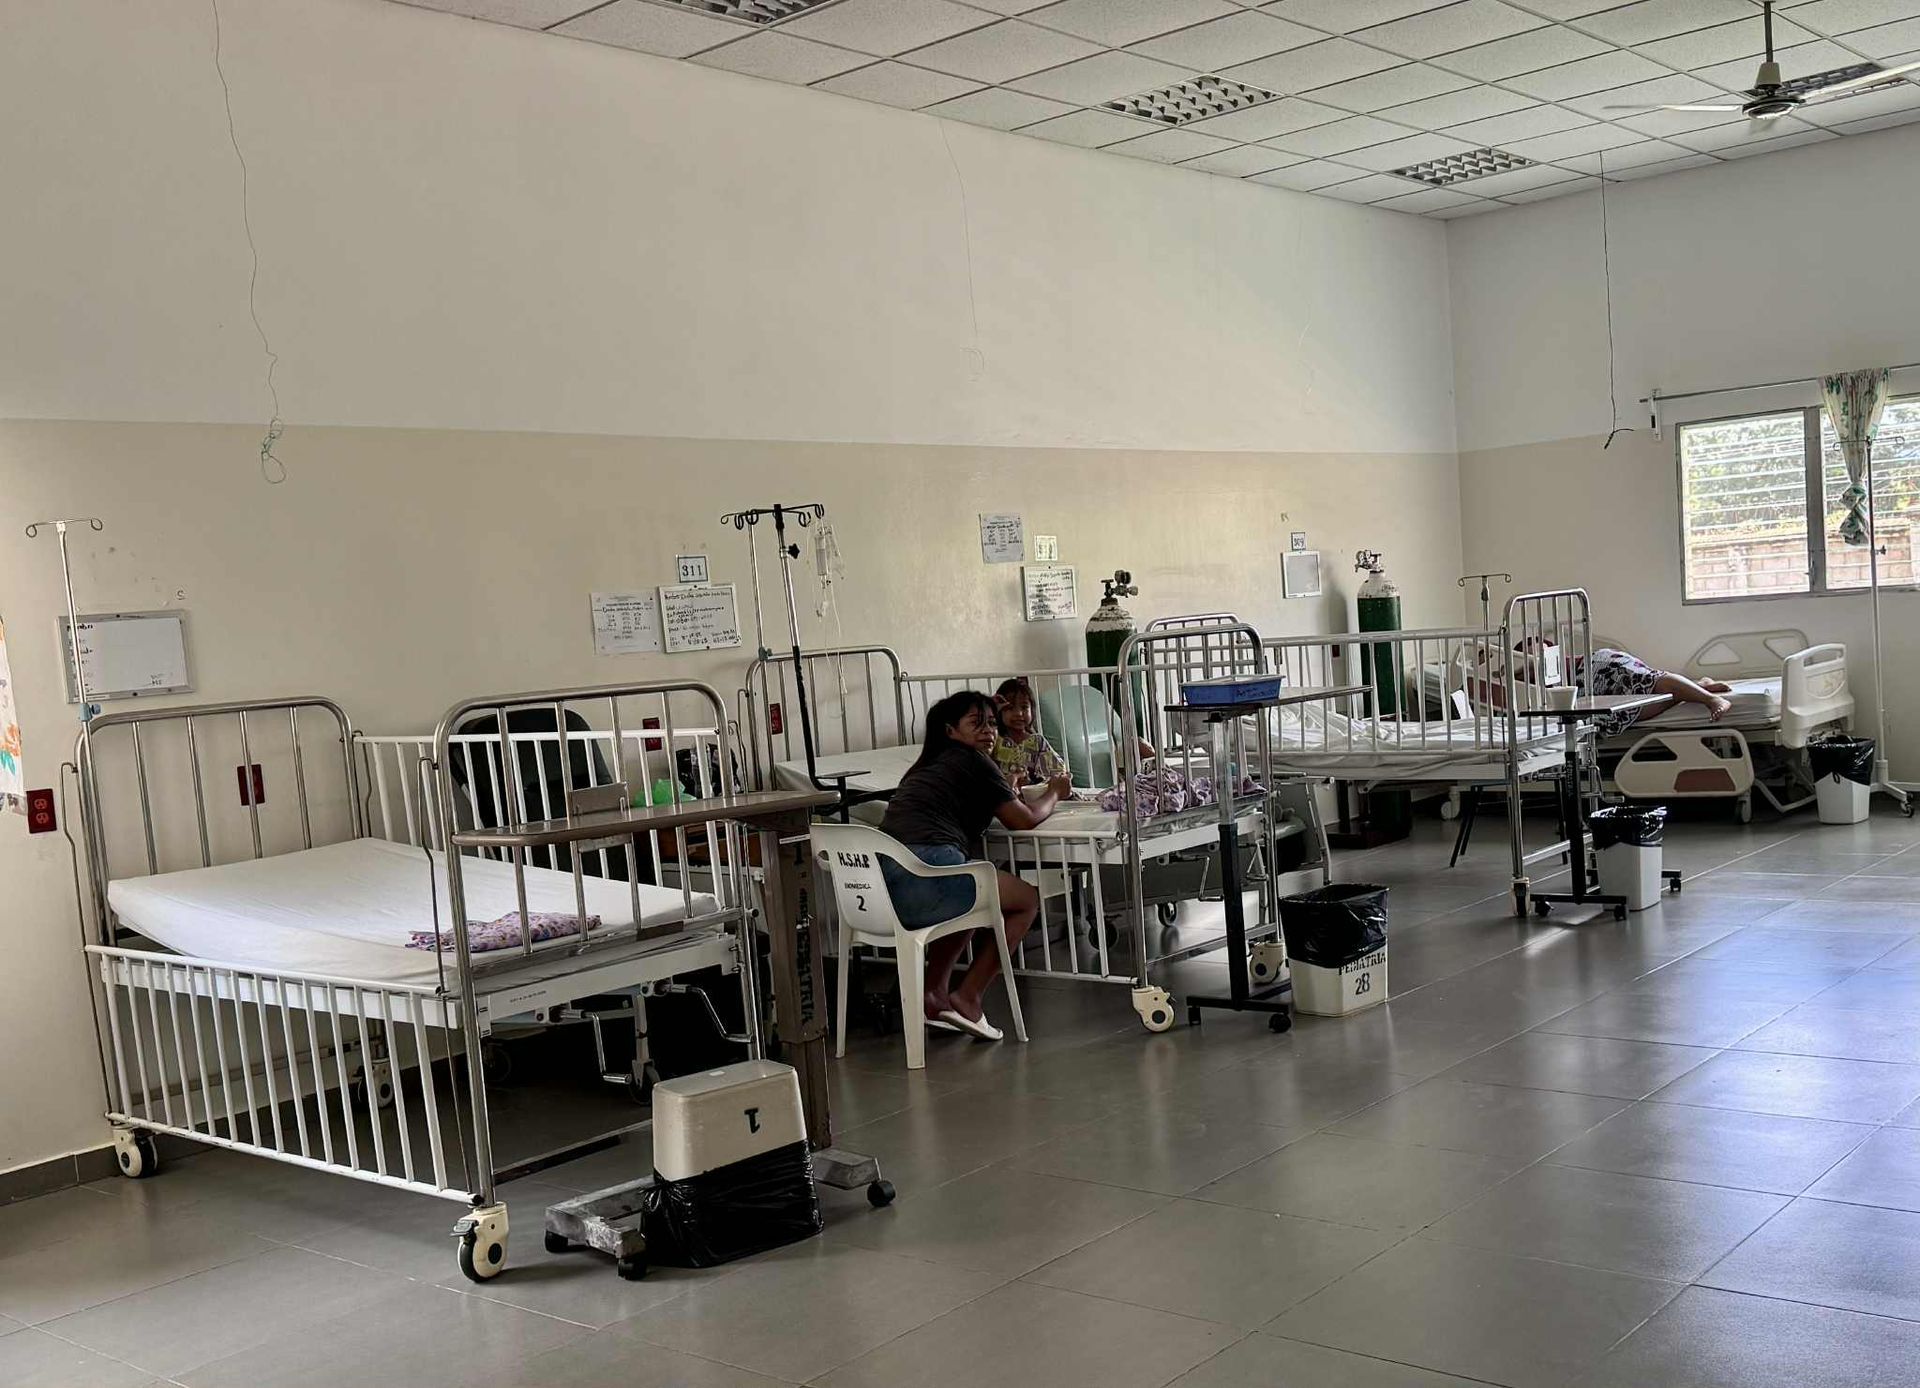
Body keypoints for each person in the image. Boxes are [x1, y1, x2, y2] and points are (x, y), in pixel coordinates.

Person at [878, 690, 1070, 1041]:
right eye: (976, 724)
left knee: (971, 895)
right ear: (950, 730)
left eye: (992, 724)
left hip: (886, 882)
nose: (988, 731)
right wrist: (1056, 791)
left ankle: (933, 995)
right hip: (929, 871)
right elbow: (1023, 820)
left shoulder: (923, 768)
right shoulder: (974, 761)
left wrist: (1005, 787)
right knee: (1026, 900)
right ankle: (969, 996)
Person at [1582, 647, 1734, 730]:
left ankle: (1711, 699)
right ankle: (1697, 688)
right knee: (1622, 713)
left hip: (1590, 667)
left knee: (1644, 681)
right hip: (1584, 689)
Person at [990, 678, 1071, 791]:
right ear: (999, 711)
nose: (1018, 713)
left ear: (1032, 710)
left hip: (1031, 793)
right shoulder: (994, 739)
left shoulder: (1037, 742)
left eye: (1024, 707)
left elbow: (1056, 771)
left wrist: (1032, 782)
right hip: (1001, 792)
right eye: (1010, 708)